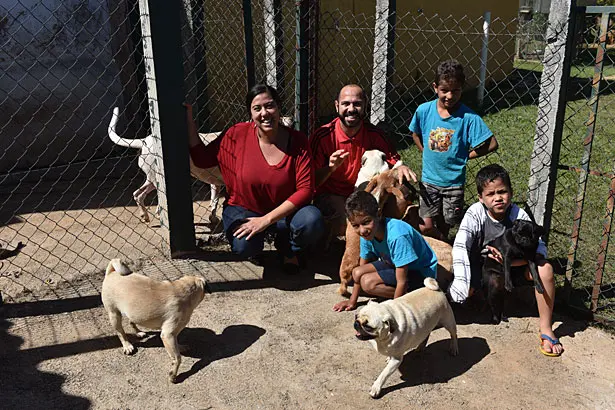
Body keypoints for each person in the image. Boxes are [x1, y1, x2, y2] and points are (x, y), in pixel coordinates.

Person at [188, 84, 324, 273]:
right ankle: (256, 247)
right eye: (257, 108)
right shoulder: (236, 135)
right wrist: (188, 119)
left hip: (283, 213)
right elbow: (202, 159)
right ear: (250, 114)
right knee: (244, 245)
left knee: (311, 220)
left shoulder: (298, 141)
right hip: (244, 208)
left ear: (278, 108)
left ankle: (289, 249)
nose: (264, 113)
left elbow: (306, 190)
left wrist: (265, 220)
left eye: (270, 106)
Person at [451, 164, 564, 357]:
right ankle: (479, 298)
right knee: (464, 292)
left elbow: (541, 247)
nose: (497, 198)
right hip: (484, 266)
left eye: (502, 192)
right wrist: (461, 281)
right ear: (481, 198)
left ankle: (546, 328)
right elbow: (460, 245)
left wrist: (511, 262)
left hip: (515, 266)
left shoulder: (518, 215)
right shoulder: (475, 213)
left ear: (511, 193)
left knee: (545, 269)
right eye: (491, 194)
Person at [311, 84, 417, 239]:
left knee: (403, 190)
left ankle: (386, 239)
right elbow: (310, 181)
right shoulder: (323, 136)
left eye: (357, 104)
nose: (351, 109)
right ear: (336, 106)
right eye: (346, 104)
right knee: (351, 221)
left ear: (365, 106)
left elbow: (395, 162)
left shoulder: (374, 134)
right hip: (334, 195)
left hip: (366, 194)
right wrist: (330, 168)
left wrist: (400, 168)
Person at [409, 60, 498, 241]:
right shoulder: (424, 111)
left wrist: (467, 155)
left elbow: (492, 143)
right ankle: (441, 242)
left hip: (453, 185)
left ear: (462, 88)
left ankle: (442, 246)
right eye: (444, 90)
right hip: (429, 182)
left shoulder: (468, 117)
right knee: (425, 226)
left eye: (455, 91)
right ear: (435, 87)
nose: (449, 96)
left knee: (447, 221)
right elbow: (415, 133)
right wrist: (424, 150)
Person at [332, 190, 438, 312]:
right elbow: (361, 268)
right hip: (394, 264)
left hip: (420, 273)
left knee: (368, 283)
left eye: (366, 222)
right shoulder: (368, 234)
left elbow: (401, 281)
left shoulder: (397, 236)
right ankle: (403, 295)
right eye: (356, 225)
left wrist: (393, 312)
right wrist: (352, 301)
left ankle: (416, 296)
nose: (362, 230)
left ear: (378, 214)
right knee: (357, 273)